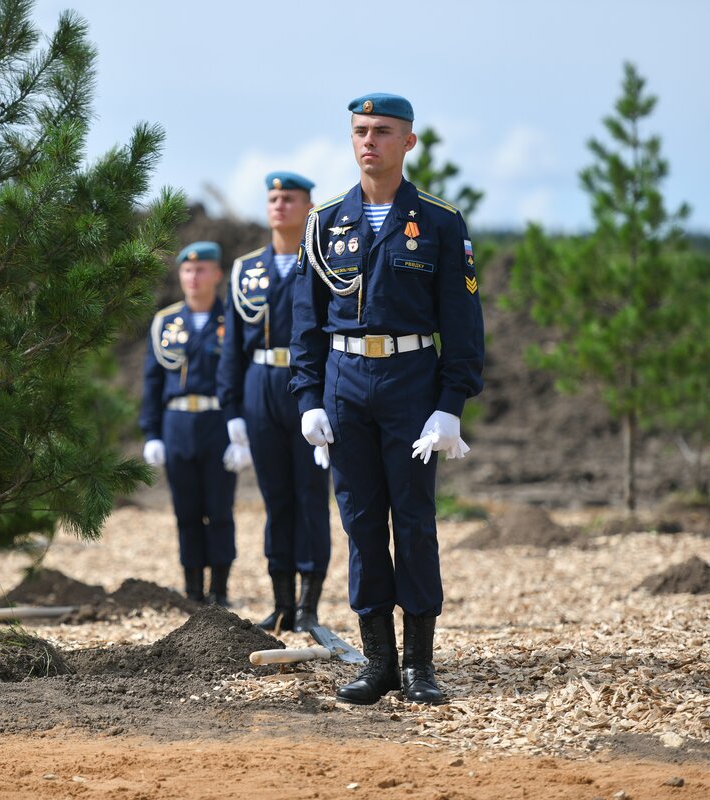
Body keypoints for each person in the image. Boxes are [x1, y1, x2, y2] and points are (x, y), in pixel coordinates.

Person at [289, 93, 484, 705]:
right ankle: (378, 663)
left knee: (414, 522)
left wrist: (451, 404)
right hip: (346, 385)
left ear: (409, 142)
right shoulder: (324, 224)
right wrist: (307, 398)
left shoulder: (441, 222)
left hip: (411, 383)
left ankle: (420, 666)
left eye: (383, 131)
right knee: (362, 523)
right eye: (359, 131)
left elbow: (463, 320)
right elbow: (306, 321)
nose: (369, 141)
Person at [218, 171, 332, 634]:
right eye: (273, 198)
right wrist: (231, 411)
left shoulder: (324, 261)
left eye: (289, 198)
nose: (279, 205)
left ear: (309, 207)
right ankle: (282, 600)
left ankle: (309, 604)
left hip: (308, 385)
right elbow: (231, 347)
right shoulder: (247, 269)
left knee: (311, 497)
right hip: (260, 383)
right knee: (275, 498)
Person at [141, 241, 251, 606]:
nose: (193, 276)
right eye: (187, 270)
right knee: (186, 511)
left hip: (218, 422)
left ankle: (219, 590)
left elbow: (242, 376)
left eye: (201, 269)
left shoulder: (232, 319)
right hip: (177, 425)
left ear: (217, 275)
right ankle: (192, 591)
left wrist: (242, 433)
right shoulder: (165, 322)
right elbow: (153, 380)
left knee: (219, 509)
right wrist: (152, 433)